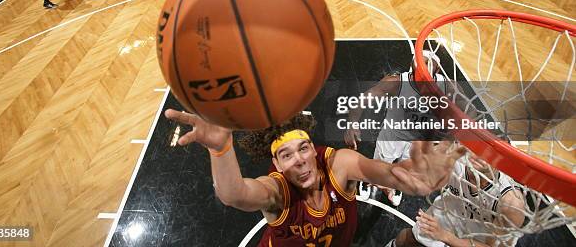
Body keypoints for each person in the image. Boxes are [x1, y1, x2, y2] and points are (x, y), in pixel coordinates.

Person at [164, 109, 465, 246]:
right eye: (287, 155)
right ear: (277, 165)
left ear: (312, 148)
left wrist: (416, 177)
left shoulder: (339, 165)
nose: (300, 160)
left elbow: (388, 173)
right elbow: (235, 194)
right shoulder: (277, 191)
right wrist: (220, 149)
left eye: (303, 148)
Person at [345, 51, 450, 206]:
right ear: (412, 68)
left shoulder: (447, 87)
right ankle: (367, 181)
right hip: (392, 135)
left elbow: (470, 111)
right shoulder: (397, 82)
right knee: (378, 166)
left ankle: (394, 187)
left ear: (437, 71)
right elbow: (365, 97)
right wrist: (352, 123)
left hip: (417, 142)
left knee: (404, 169)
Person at [387, 154, 525, 247]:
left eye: (490, 153)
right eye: (479, 147)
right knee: (406, 239)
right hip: (447, 217)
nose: (480, 155)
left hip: (475, 240)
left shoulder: (511, 204)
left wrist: (446, 237)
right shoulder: (456, 159)